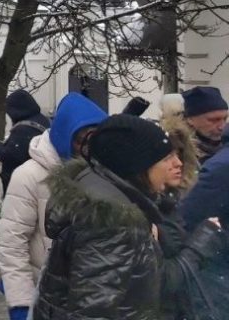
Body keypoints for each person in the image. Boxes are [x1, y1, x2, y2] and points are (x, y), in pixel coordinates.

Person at [33, 115, 183, 319]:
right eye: (165, 159)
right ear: (137, 165)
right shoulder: (113, 224)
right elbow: (93, 312)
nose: (175, 164)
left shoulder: (98, 191)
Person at [0, 93, 107, 320]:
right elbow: (12, 246)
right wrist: (21, 304)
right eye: (80, 138)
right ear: (65, 134)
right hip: (44, 297)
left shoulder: (100, 172)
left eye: (94, 137)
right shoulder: (29, 176)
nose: (86, 146)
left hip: (92, 298)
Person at [154, 118, 222, 320]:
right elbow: (165, 279)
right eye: (167, 157)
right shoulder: (147, 212)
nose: (178, 163)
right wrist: (205, 237)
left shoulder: (169, 202)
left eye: (179, 155)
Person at [180, 104, 229, 313]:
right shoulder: (222, 168)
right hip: (218, 268)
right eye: (213, 119)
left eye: (223, 119)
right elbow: (188, 216)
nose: (219, 126)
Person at [0, 90, 51, 194]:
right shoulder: (43, 120)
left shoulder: (23, 129)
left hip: (21, 185)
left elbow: (8, 155)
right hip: (41, 177)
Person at [182, 86, 228, 165]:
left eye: (225, 118)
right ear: (190, 119)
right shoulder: (176, 152)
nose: (222, 127)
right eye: (213, 120)